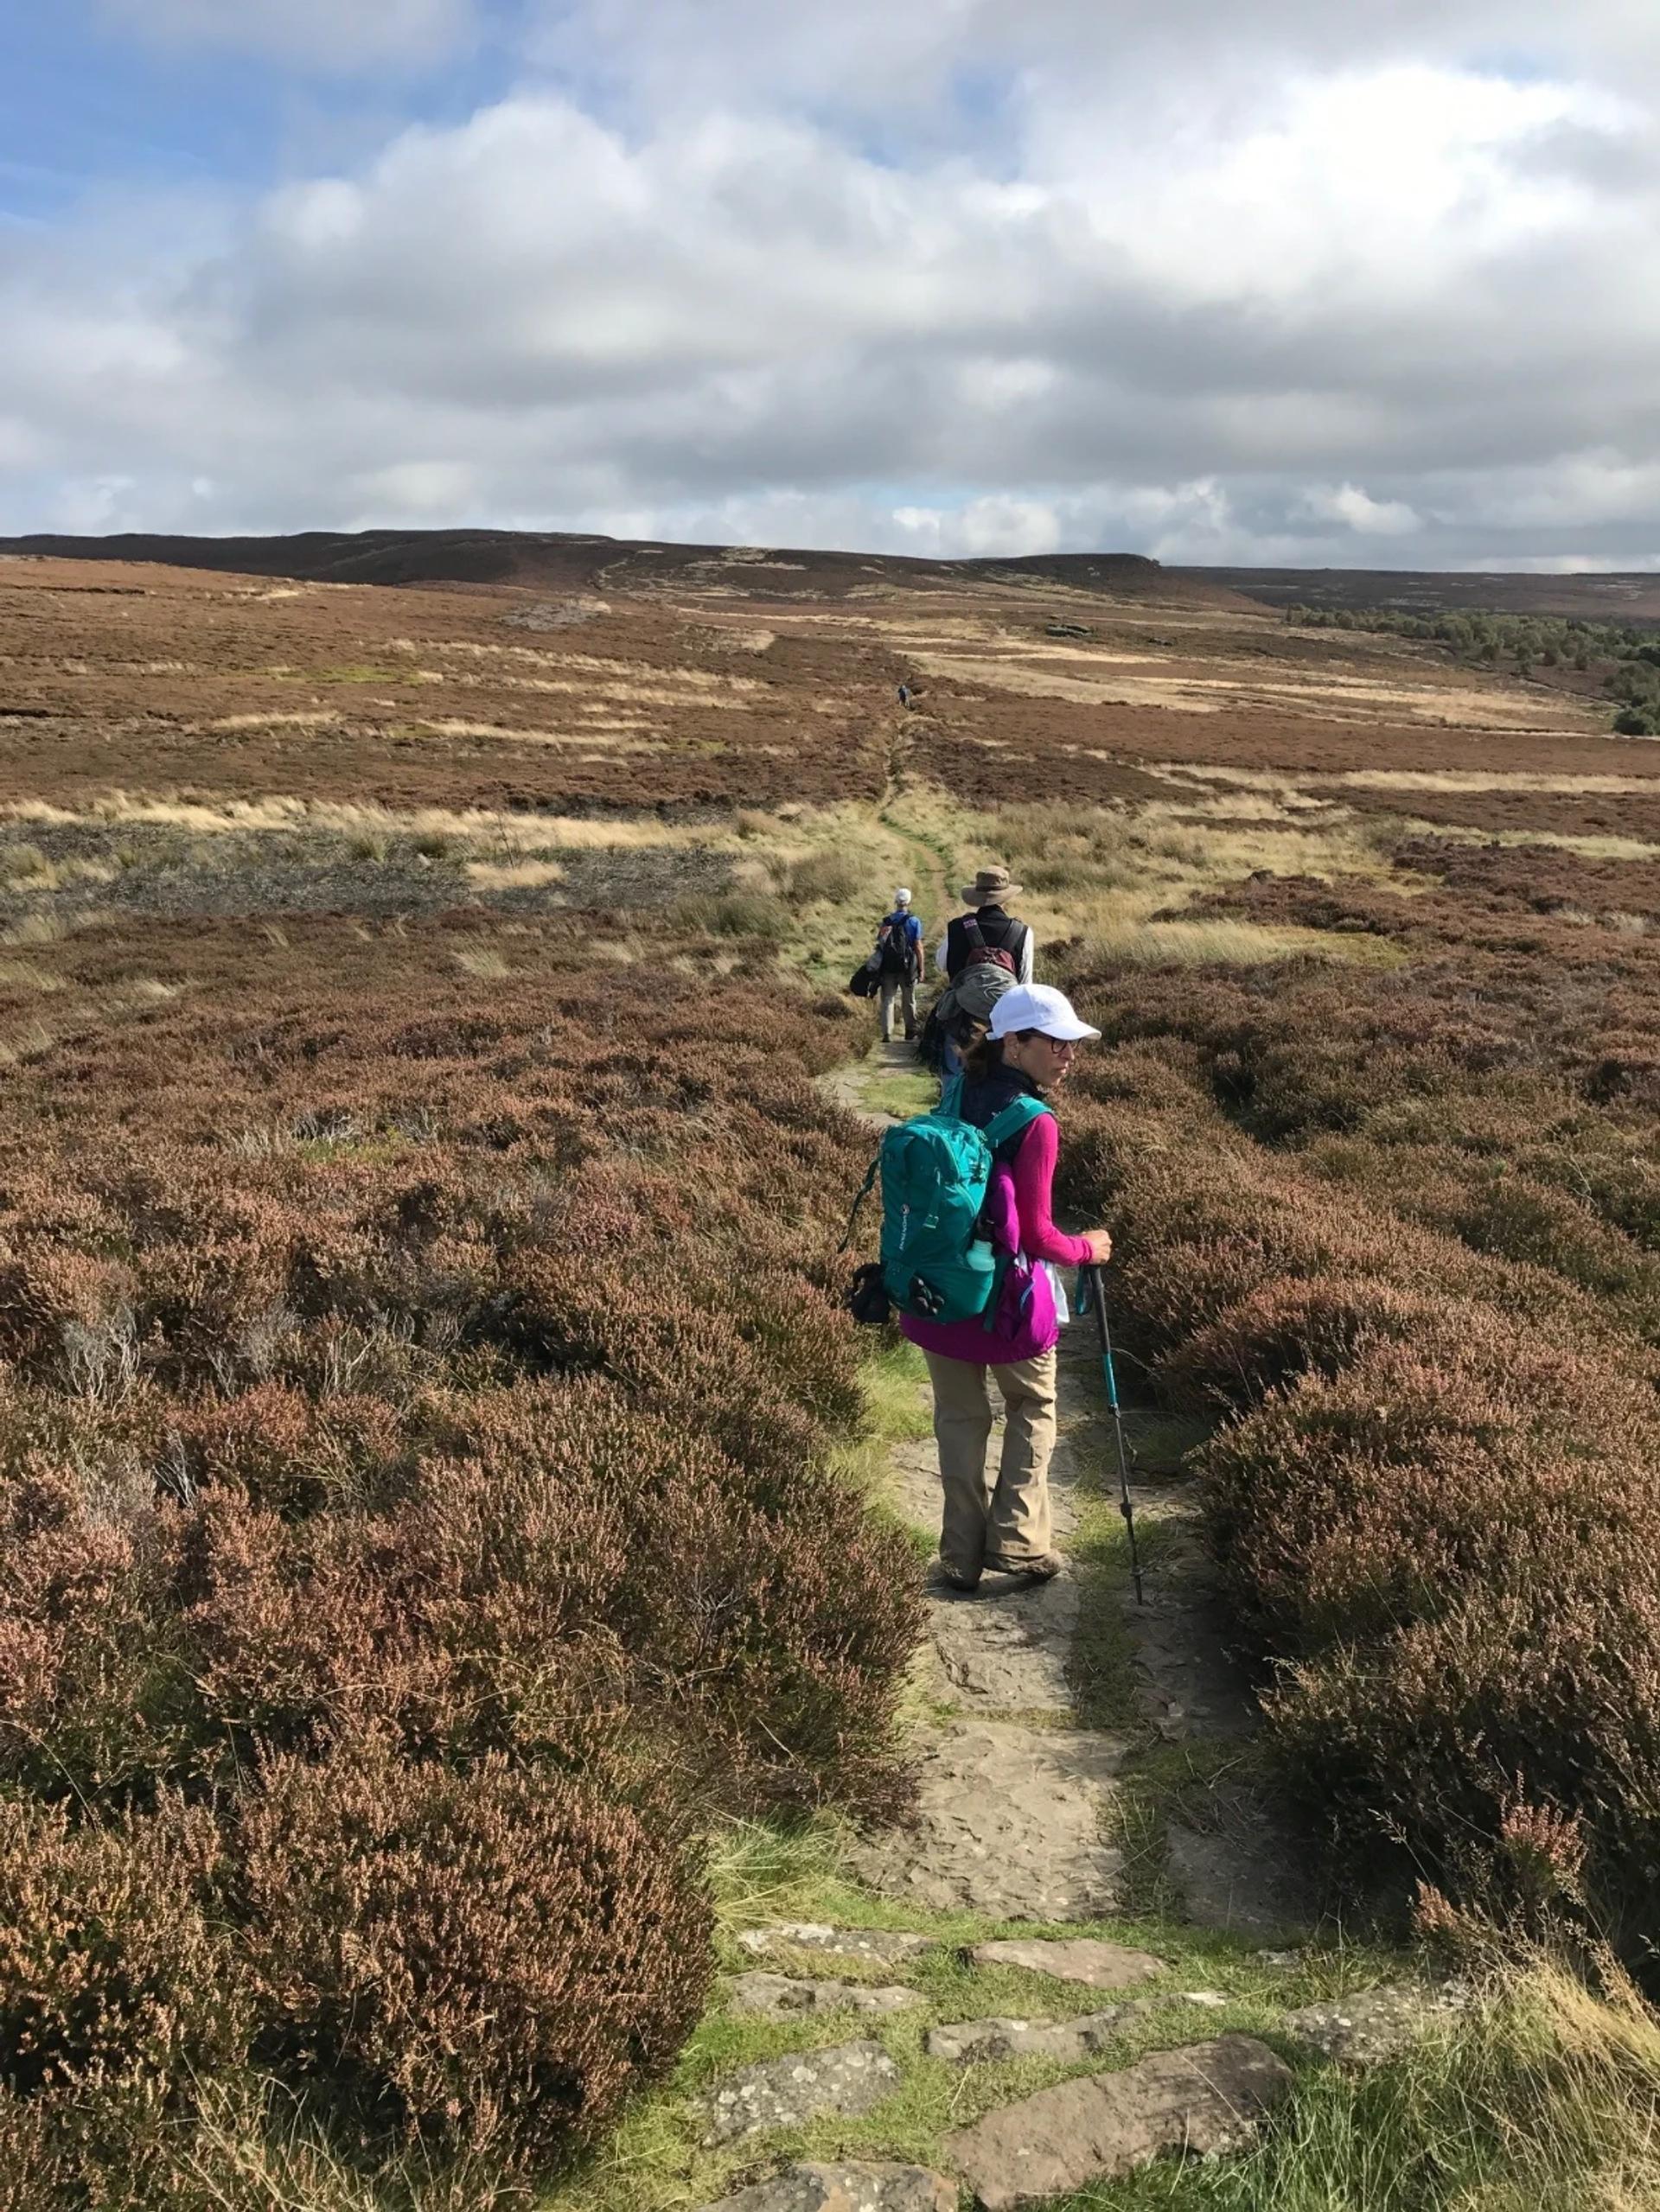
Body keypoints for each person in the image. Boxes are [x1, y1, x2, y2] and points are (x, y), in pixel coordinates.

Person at [900, 985, 1113, 1591]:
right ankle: (1018, 1545)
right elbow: (1041, 1236)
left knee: (960, 1418)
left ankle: (960, 1555)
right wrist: (1088, 1248)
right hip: (1006, 1300)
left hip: (939, 1291)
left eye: (1072, 1043)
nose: (1068, 1054)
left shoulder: (957, 1089)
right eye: (1056, 1042)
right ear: (1013, 1042)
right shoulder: (1037, 1123)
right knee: (1033, 1407)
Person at [936, 864, 1036, 988]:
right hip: (1006, 1005)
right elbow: (1026, 982)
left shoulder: (957, 927)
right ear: (1005, 898)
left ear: (977, 895)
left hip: (963, 1004)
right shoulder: (1023, 932)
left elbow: (941, 964)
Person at [874, 888, 924, 1043]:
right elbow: (918, 946)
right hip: (907, 967)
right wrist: (921, 968)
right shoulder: (914, 921)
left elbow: (880, 943)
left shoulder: (886, 921)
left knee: (888, 999)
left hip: (888, 967)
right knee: (909, 999)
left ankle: (887, 1033)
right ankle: (910, 1031)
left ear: (896, 902)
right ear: (908, 902)